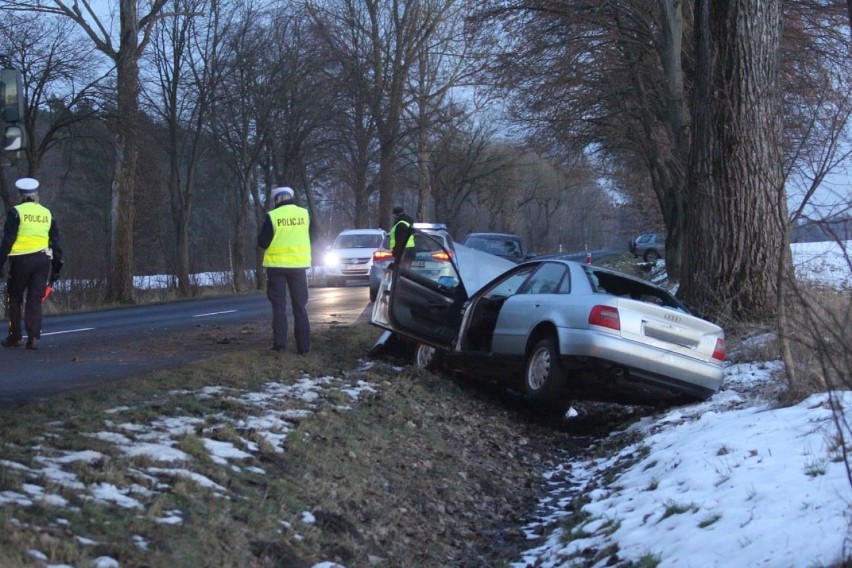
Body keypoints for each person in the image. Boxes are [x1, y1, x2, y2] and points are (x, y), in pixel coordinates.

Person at [0, 178, 63, 350]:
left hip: (20, 261)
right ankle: (34, 337)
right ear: (37, 195)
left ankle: (15, 336)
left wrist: (1, 262)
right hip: (42, 261)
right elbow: (56, 243)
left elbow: (7, 240)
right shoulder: (47, 214)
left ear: (21, 195)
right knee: (35, 299)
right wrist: (57, 267)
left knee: (14, 298)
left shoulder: (16, 212)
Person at [257, 186, 313, 354]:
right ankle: (304, 347)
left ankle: (279, 344)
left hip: (276, 267)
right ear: (290, 197)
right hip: (298, 267)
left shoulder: (273, 216)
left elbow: (263, 242)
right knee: (300, 307)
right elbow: (314, 236)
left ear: (276, 200)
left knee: (279, 306)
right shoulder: (304, 214)